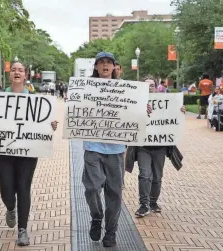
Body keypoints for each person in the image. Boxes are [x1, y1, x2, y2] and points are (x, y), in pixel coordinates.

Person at [0, 62, 58, 247]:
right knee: (6, 190)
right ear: (9, 75)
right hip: (4, 153)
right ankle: (10, 207)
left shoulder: (36, 101)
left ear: (25, 75)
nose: (17, 72)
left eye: (20, 70)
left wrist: (50, 125)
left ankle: (22, 230)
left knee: (23, 188)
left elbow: (46, 122)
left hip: (27, 153)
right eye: (13, 70)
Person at [82, 52, 151, 248]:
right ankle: (96, 217)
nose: (105, 66)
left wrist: (143, 111)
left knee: (114, 193)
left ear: (114, 67)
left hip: (116, 149)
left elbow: (135, 114)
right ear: (96, 67)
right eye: (101, 63)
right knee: (92, 188)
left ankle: (111, 232)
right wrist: (73, 102)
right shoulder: (85, 87)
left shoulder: (126, 90)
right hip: (93, 148)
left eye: (108, 63)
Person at [135, 78, 186, 217]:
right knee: (145, 175)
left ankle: (153, 202)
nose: (149, 88)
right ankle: (143, 204)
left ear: (156, 87)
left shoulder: (166, 102)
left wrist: (180, 111)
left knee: (157, 177)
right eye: (146, 86)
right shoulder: (136, 102)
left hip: (160, 147)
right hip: (143, 147)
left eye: (152, 85)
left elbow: (174, 119)